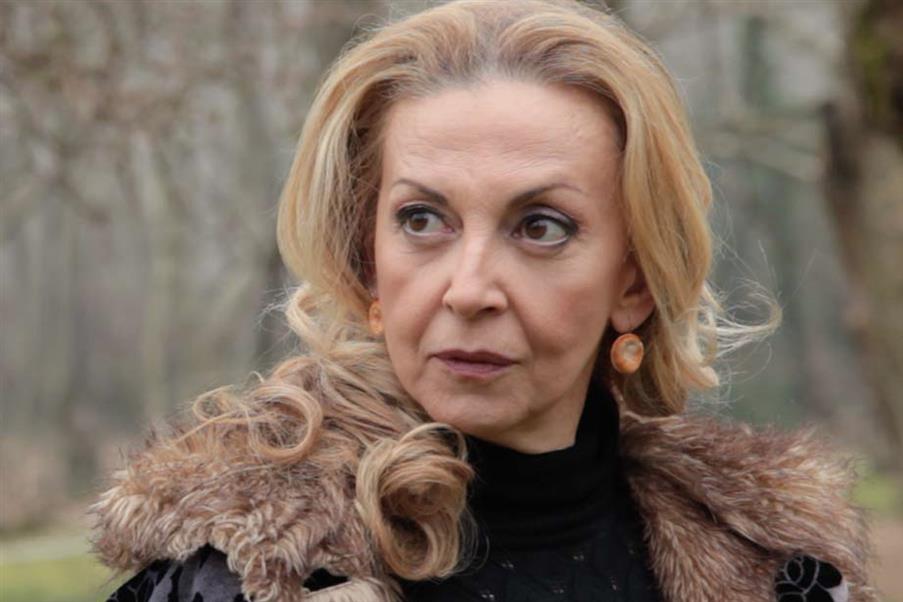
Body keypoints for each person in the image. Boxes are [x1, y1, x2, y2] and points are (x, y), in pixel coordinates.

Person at [93, 1, 877, 600]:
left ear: (633, 283)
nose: (468, 290)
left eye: (540, 227)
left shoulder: (776, 568)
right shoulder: (246, 571)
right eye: (421, 220)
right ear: (368, 264)